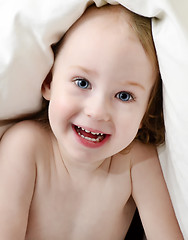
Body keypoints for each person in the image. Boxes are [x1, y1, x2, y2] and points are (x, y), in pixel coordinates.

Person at [0, 4, 183, 240]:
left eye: (124, 96)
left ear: (145, 112)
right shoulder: (26, 146)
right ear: (48, 82)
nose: (97, 112)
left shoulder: (137, 162)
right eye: (82, 83)